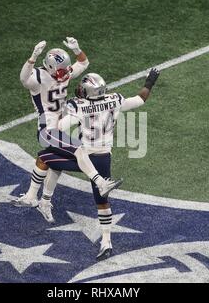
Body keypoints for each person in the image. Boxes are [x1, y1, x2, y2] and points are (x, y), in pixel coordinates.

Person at [34, 68, 160, 260]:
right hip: (103, 157)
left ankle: (39, 198)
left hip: (83, 156)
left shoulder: (79, 106)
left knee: (45, 156)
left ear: (88, 92)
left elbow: (59, 127)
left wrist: (58, 112)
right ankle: (106, 242)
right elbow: (141, 98)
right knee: (102, 201)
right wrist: (150, 82)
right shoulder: (114, 100)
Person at [13, 38, 123, 214]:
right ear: (49, 67)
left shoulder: (63, 72)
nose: (65, 74)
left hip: (59, 128)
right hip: (47, 129)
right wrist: (32, 57)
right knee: (79, 148)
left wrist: (77, 49)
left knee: (49, 159)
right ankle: (101, 183)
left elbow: (84, 63)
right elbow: (23, 78)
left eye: (66, 69)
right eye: (61, 71)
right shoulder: (39, 78)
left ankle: (34, 198)